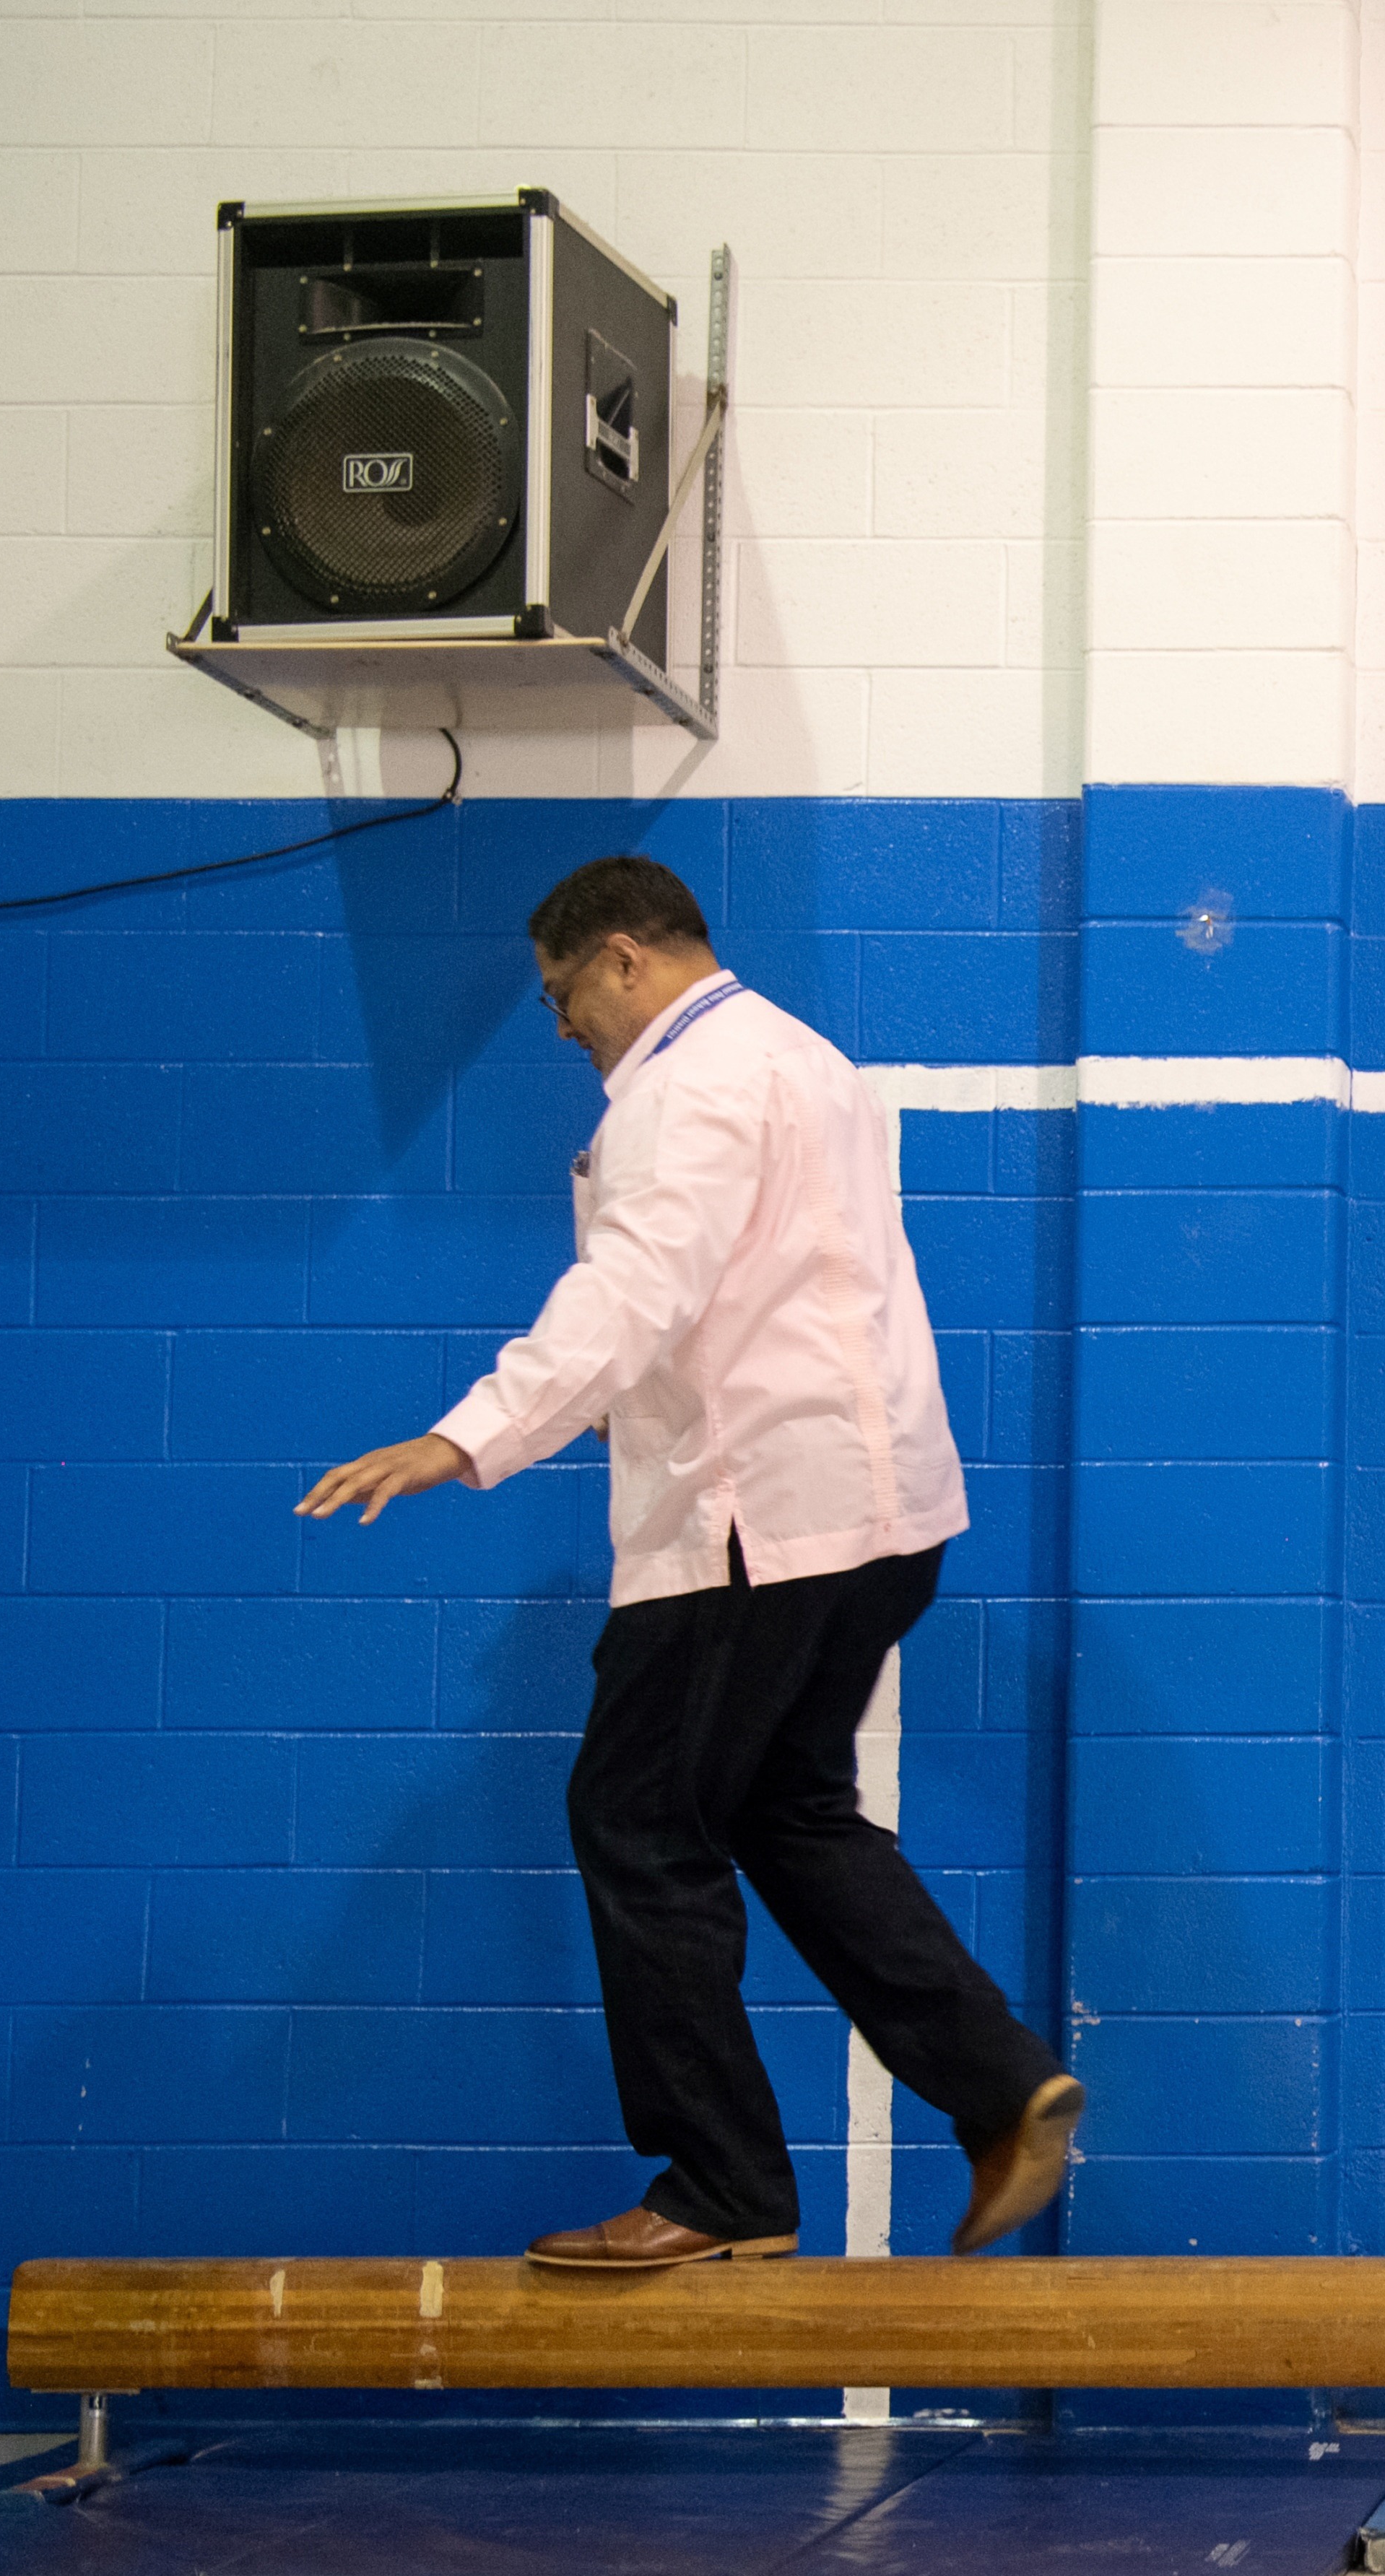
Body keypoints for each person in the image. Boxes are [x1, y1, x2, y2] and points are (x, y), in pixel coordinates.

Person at [298, 854, 1082, 2272]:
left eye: (557, 995)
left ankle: (723, 2185)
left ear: (619, 956)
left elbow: (636, 1292)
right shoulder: (810, 1060)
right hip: (877, 1515)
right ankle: (996, 2079)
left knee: (638, 1819)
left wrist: (465, 1435)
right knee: (786, 1809)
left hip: (755, 1527)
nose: (557, 1029)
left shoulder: (687, 1085)